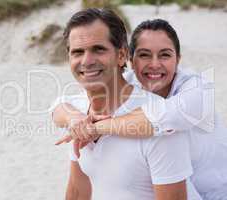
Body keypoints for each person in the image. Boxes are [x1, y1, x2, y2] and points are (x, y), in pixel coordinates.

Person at [53, 16, 227, 200]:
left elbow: (166, 119)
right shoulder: (123, 83)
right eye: (144, 55)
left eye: (165, 55)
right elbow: (61, 104)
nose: (154, 64)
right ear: (129, 59)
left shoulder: (195, 91)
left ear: (178, 59)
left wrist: (94, 128)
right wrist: (76, 119)